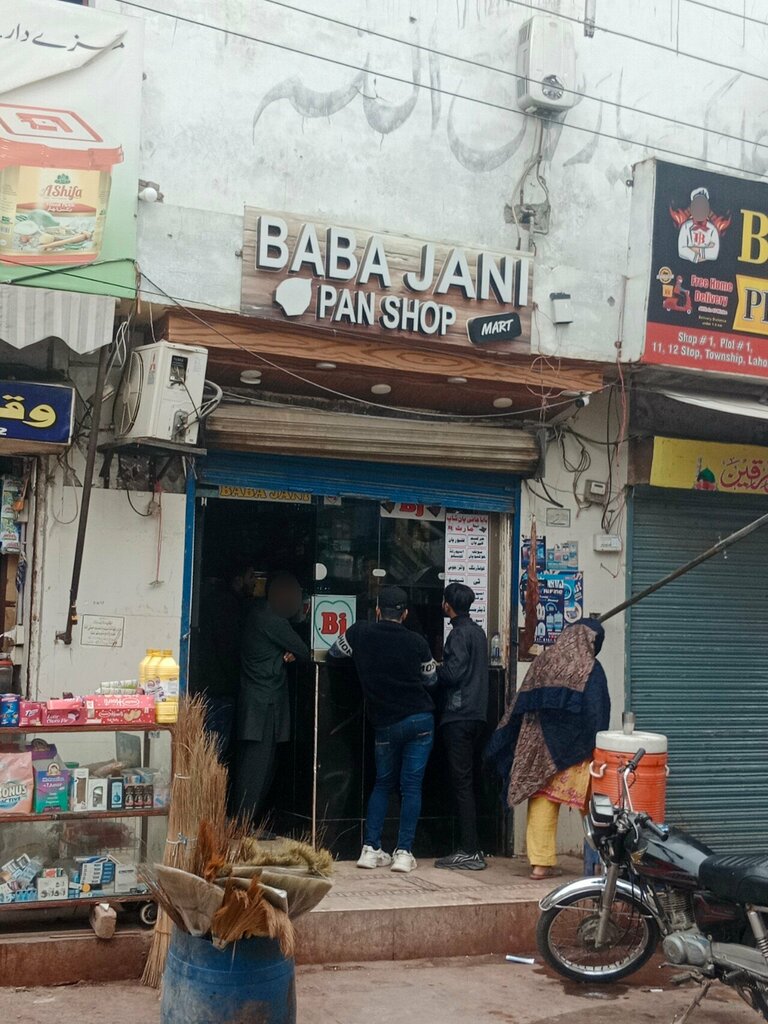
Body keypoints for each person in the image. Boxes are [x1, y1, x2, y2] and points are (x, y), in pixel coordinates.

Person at [485, 619, 610, 880]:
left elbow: (521, 702)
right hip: (577, 750)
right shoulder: (590, 667)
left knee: (542, 801)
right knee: (592, 806)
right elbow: (598, 710)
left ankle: (540, 865)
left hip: (540, 749)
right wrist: (598, 744)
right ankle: (600, 861)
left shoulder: (543, 661)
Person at [327, 585, 437, 874]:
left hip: (385, 723)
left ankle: (370, 848)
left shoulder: (360, 633)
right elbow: (431, 679)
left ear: (377, 610)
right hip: (419, 721)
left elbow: (334, 653)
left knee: (383, 783)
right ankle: (403, 853)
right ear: (405, 614)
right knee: (411, 786)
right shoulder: (417, 642)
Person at [234, 572, 310, 823]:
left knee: (256, 766)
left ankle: (247, 823)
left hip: (259, 702)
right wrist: (286, 654)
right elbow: (303, 649)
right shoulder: (271, 618)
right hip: (263, 705)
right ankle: (243, 825)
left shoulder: (256, 614)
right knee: (257, 768)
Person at [433, 583, 489, 872]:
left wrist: (434, 668)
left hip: (458, 715)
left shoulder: (458, 634)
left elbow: (453, 674)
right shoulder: (478, 633)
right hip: (478, 714)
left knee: (461, 784)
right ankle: (473, 846)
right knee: (470, 782)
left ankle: (468, 850)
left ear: (448, 606)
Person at [198, 563, 256, 763]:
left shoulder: (216, 600)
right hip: (218, 690)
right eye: (251, 576)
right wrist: (237, 684)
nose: (255, 582)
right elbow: (228, 649)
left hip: (211, 687)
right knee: (214, 753)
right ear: (238, 580)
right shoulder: (226, 605)